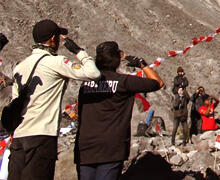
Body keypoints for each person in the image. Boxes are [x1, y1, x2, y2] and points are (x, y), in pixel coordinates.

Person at [7, 19, 101, 180]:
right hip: (41, 136)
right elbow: (93, 74)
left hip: (19, 138)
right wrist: (78, 51)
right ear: (52, 39)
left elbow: (15, 101)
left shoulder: (20, 67)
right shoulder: (55, 62)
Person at [74, 41, 164, 179]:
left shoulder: (85, 85)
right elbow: (158, 83)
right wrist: (141, 64)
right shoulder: (123, 82)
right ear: (116, 59)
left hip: (85, 147)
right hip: (111, 147)